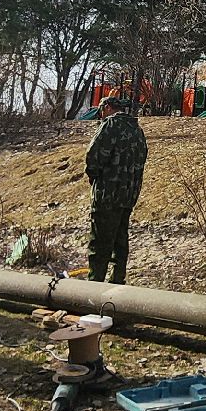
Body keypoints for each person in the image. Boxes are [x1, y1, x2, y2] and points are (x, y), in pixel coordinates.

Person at [84, 95, 148, 284]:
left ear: (108, 107)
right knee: (120, 241)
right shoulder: (137, 130)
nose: (100, 116)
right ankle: (117, 281)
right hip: (128, 196)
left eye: (101, 112)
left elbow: (93, 155)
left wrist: (93, 175)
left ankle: (94, 286)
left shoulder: (110, 125)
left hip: (107, 194)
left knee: (100, 242)